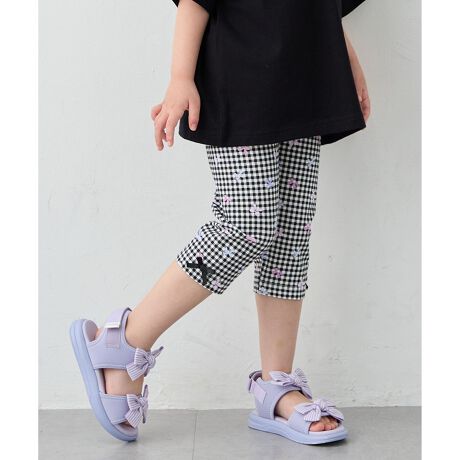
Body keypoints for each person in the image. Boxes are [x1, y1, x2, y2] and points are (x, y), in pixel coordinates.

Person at [70, 0, 370, 445]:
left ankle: (277, 385)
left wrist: (347, 60)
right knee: (247, 225)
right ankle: (127, 339)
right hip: (242, 77)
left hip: (308, 79)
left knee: (290, 235)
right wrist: (180, 76)